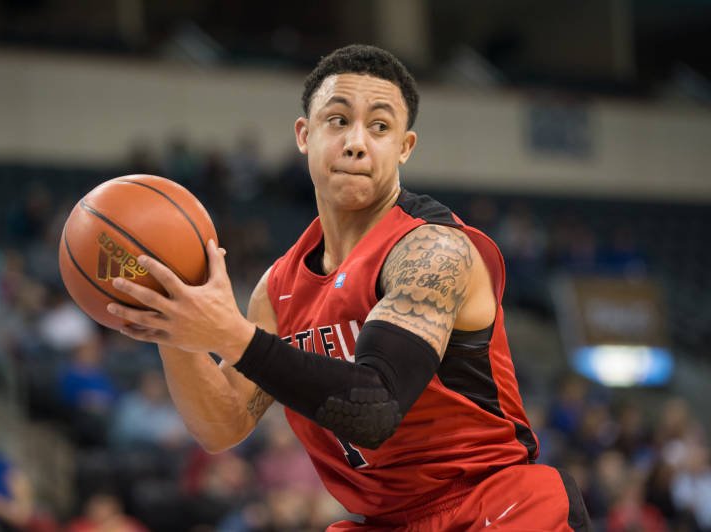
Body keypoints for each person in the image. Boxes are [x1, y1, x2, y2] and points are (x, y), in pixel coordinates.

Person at [106, 44, 592, 530]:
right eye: (337, 120)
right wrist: (171, 323)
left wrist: (230, 336)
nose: (356, 142)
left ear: (404, 147)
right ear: (305, 135)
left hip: (494, 505)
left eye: (379, 127)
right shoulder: (278, 289)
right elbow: (223, 425)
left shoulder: (434, 251)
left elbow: (376, 410)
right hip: (384, 522)